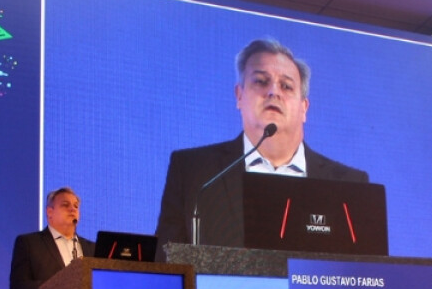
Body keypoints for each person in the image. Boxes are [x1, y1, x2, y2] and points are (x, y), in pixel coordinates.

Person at [155, 38, 368, 256]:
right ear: (239, 96)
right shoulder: (195, 174)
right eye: (261, 81)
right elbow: (165, 263)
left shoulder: (350, 185)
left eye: (286, 86)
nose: (273, 92)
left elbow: (365, 271)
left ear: (304, 108)